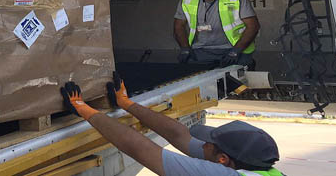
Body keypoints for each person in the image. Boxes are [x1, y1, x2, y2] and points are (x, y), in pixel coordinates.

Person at [60, 73, 283, 175]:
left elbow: (140, 149)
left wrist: (84, 109)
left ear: (223, 160)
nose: (201, 143)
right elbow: (180, 135)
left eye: (208, 143)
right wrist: (127, 104)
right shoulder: (259, 169)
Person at [173, 0, 259, 68]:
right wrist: (185, 49)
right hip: (199, 52)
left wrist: (236, 51)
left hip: (234, 51)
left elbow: (253, 26)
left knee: (237, 82)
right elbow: (178, 27)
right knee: (199, 82)